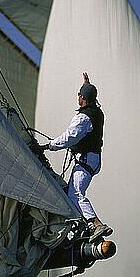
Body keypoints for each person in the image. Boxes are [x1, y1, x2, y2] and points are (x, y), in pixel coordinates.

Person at [40, 73, 113, 243]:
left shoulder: (84, 117)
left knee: (75, 193)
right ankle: (84, 225)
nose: (77, 97)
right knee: (71, 193)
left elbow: (69, 137)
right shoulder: (97, 112)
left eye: (79, 95)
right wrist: (87, 85)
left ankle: (96, 224)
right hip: (93, 160)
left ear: (83, 98)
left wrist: (48, 146)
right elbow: (93, 99)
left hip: (86, 160)